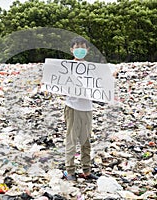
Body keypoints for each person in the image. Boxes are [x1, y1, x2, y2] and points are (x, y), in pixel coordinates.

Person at [64, 36, 98, 181]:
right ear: (71, 50)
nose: (80, 50)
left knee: (86, 140)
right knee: (71, 140)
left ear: (87, 50)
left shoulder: (92, 68)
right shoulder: (66, 67)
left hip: (87, 108)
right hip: (72, 107)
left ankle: (86, 170)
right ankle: (70, 171)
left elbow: (100, 84)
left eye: (82, 47)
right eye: (77, 47)